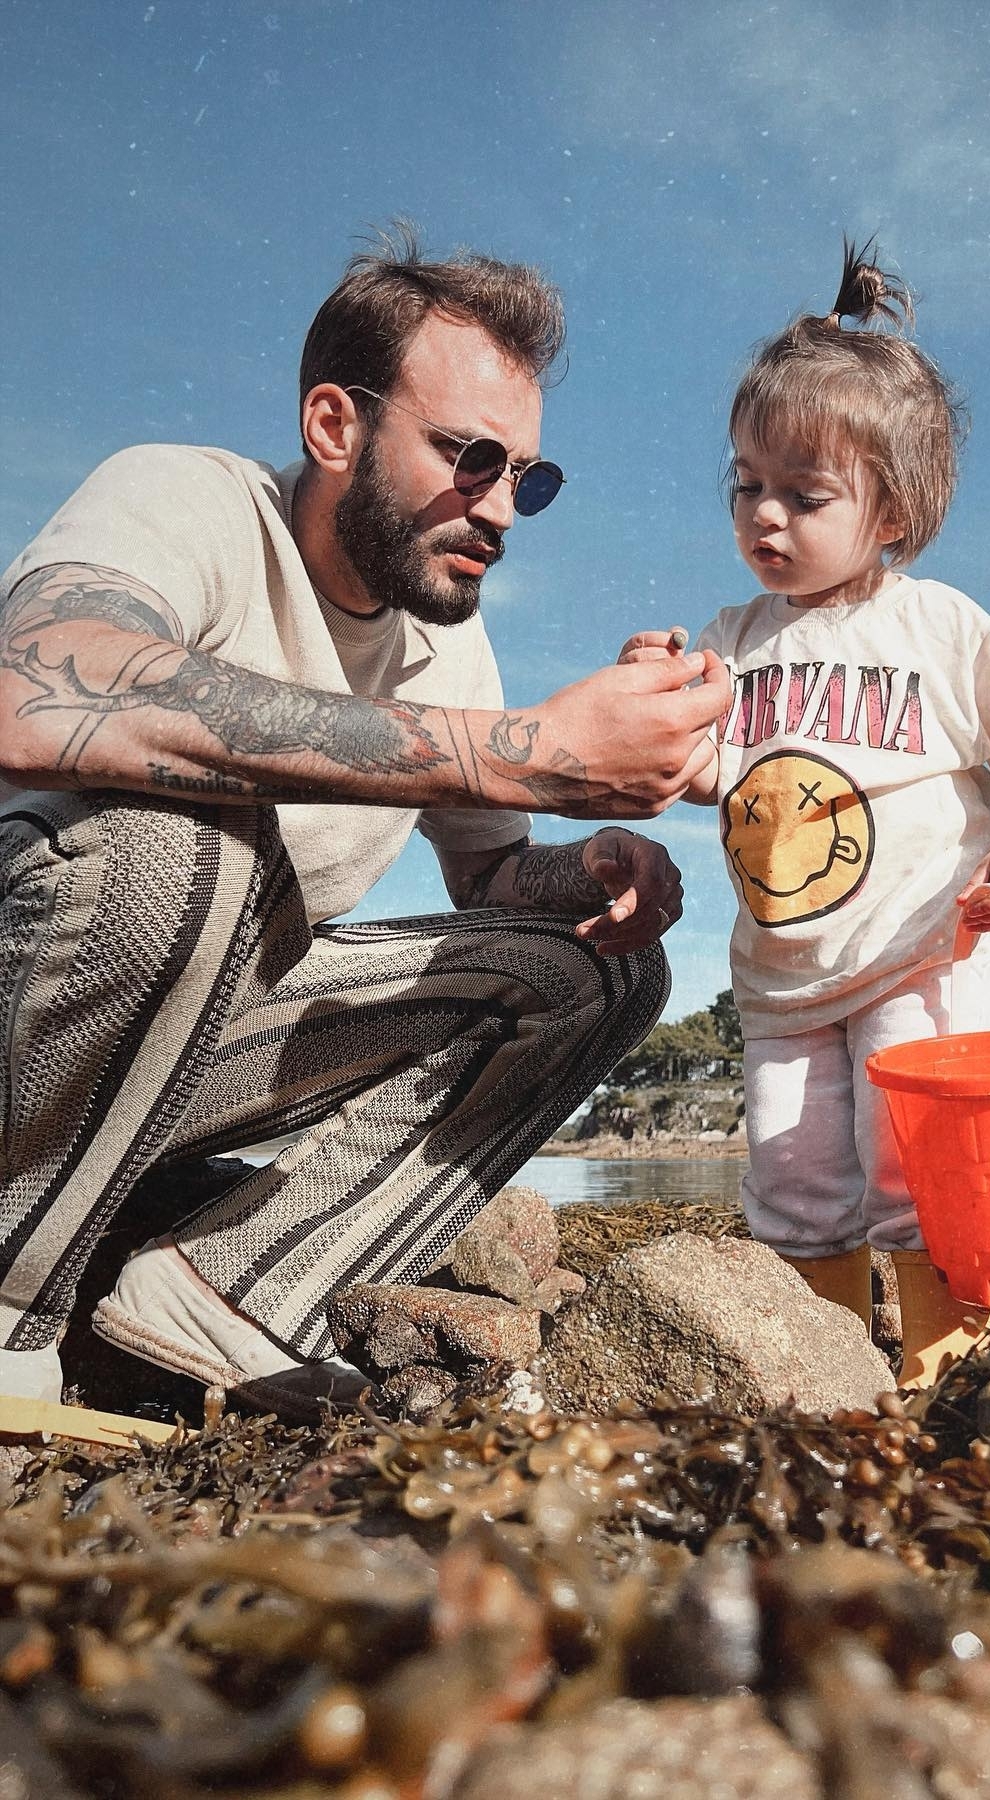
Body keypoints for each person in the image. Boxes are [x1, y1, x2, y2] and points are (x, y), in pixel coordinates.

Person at [0, 226, 730, 1415]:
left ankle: (223, 1297)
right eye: (470, 458)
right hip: (30, 1006)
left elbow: (490, 882)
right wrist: (521, 752)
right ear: (335, 425)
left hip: (190, 1047)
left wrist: (591, 856)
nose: (502, 510)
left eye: (529, 478)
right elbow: (30, 694)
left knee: (597, 970)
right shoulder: (187, 498)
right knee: (192, 838)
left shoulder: (449, 643)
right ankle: (11, 1305)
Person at [620, 241, 990, 1386]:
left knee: (916, 1173)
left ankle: (943, 1369)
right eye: (747, 486)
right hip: (782, 978)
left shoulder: (943, 629)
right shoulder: (731, 640)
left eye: (805, 494)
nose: (766, 516)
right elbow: (701, 776)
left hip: (920, 957)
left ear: (894, 511)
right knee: (793, 1182)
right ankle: (826, 1374)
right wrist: (649, 697)